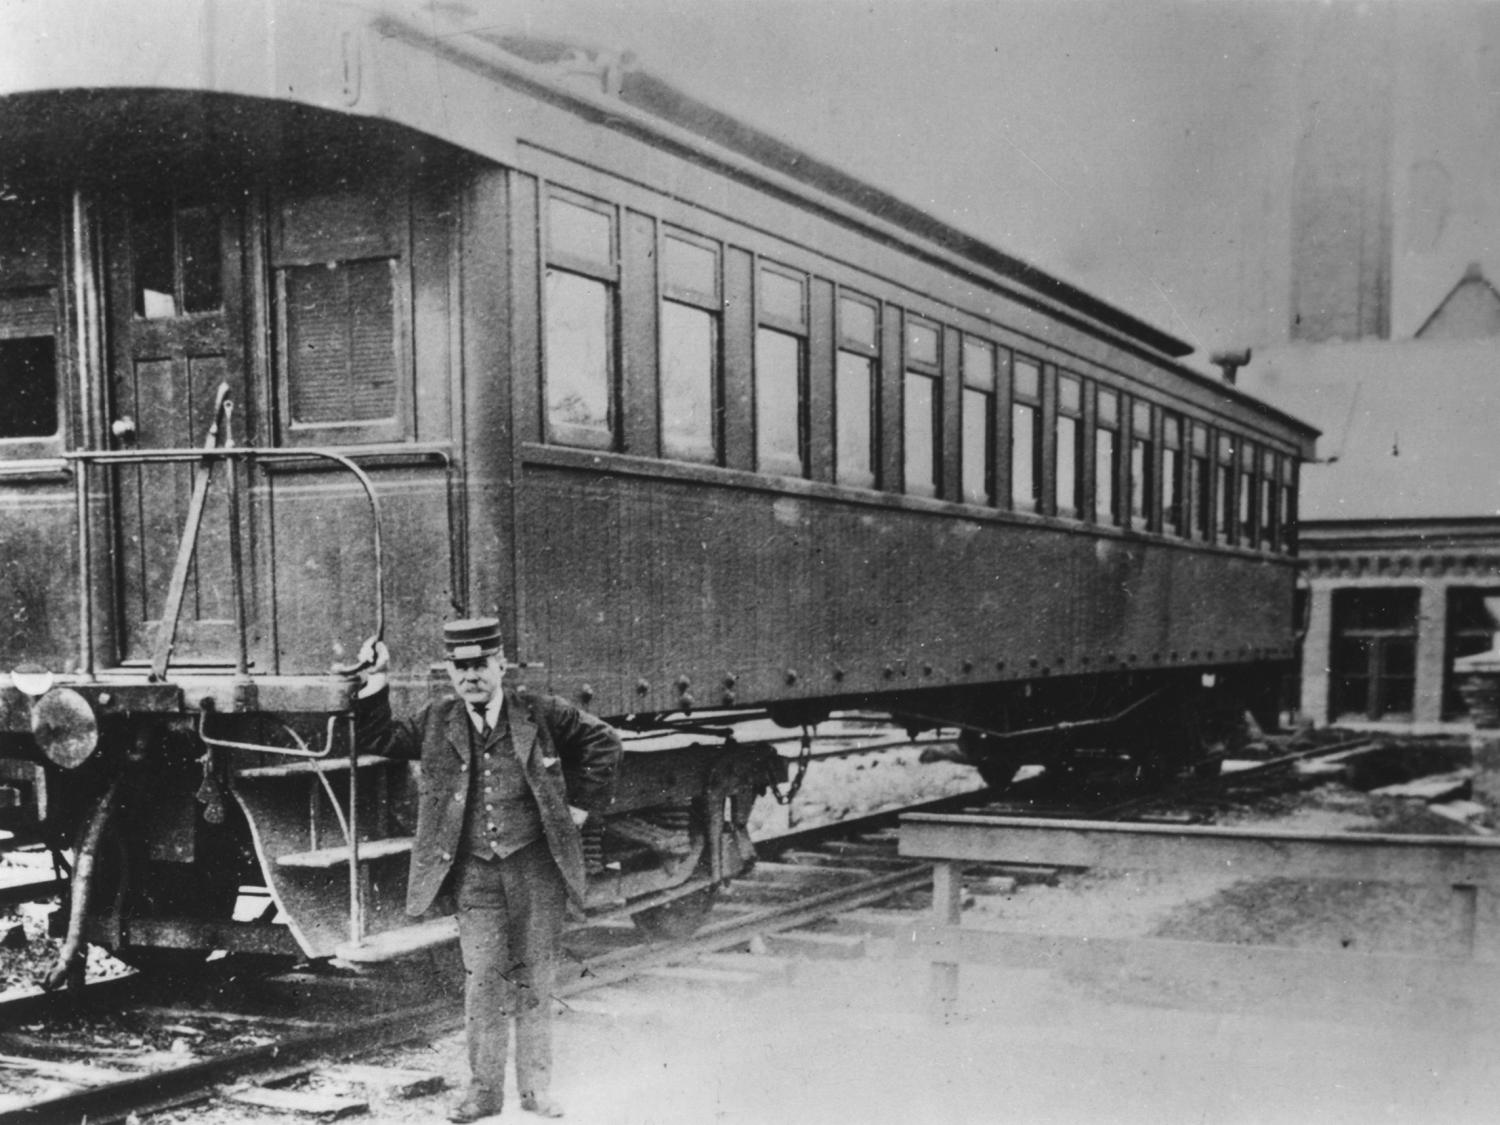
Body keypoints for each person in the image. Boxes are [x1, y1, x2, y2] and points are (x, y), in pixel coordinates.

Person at [354, 618, 622, 1122]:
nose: (472, 676)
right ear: (451, 672)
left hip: (537, 869)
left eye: (481, 665)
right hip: (475, 875)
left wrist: (581, 808)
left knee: (533, 979)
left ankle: (536, 1093)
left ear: (500, 666)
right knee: (483, 980)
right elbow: (380, 737)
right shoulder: (438, 718)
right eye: (462, 667)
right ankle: (483, 1094)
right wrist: (376, 681)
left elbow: (605, 742)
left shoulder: (540, 713)